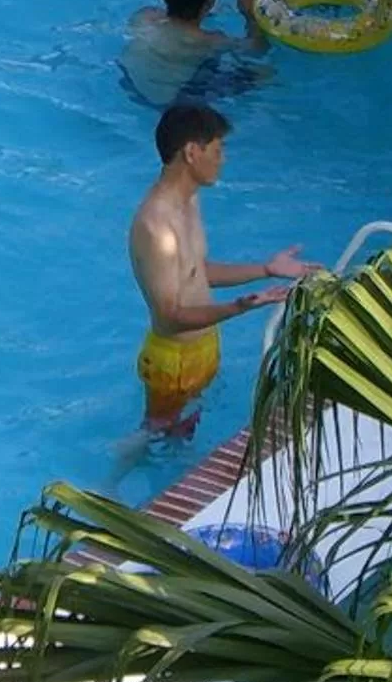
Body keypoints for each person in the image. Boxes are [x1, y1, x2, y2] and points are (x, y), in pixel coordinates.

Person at [126, 104, 316, 439]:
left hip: (205, 344)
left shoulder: (189, 201)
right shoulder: (155, 227)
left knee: (182, 431)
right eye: (217, 149)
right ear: (191, 152)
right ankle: (108, 484)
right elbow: (169, 315)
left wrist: (265, 269)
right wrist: (236, 308)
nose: (223, 159)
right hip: (173, 360)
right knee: (150, 436)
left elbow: (197, 273)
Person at [119, 0, 271, 109]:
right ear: (210, 1)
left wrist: (201, 7)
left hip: (130, 84)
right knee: (264, 74)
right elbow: (258, 50)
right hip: (172, 103)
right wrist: (250, 15)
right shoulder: (212, 41)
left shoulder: (144, 16)